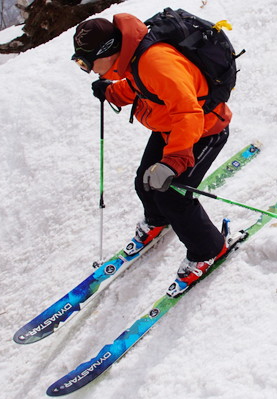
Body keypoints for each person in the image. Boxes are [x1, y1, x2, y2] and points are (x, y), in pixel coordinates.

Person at [72, 13, 234, 295]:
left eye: (85, 63)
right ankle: (158, 220)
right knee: (144, 181)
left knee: (172, 196)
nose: (85, 69)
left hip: (204, 129)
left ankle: (209, 249)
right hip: (171, 128)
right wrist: (113, 93)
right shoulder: (132, 58)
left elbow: (188, 112)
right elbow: (142, 87)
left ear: (106, 51)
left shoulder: (155, 61)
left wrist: (173, 162)